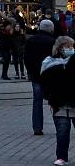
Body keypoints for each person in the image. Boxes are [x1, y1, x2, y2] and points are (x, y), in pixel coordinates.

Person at [40, 36, 75, 166]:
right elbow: (45, 83)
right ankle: (61, 157)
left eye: (72, 46)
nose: (71, 49)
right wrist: (50, 98)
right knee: (62, 132)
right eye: (67, 46)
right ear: (59, 48)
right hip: (59, 104)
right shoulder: (49, 63)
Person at [25, 19, 56, 135]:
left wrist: (29, 72)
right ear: (50, 29)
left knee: (37, 101)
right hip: (50, 75)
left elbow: (26, 57)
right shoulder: (52, 41)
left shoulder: (31, 40)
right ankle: (59, 125)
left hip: (35, 75)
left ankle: (37, 127)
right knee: (54, 101)